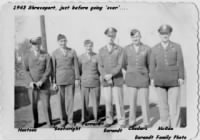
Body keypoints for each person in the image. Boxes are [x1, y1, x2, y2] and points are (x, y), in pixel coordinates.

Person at [150, 24, 185, 128]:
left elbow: (180, 63)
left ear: (170, 34)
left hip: (174, 80)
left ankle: (176, 129)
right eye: (162, 34)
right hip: (159, 81)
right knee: (163, 107)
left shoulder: (177, 47)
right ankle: (165, 128)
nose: (165, 35)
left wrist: (181, 77)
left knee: (174, 106)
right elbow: (152, 65)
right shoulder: (154, 48)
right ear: (159, 35)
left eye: (167, 33)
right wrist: (152, 78)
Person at [123, 29, 151, 128]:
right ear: (131, 38)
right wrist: (131, 71)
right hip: (131, 79)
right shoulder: (126, 49)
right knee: (132, 103)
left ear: (140, 37)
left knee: (144, 103)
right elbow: (123, 64)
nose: (136, 38)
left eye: (137, 36)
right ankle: (132, 122)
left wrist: (148, 75)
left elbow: (150, 64)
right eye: (133, 37)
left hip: (143, 79)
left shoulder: (147, 48)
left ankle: (146, 122)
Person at [98, 27, 125, 127]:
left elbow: (119, 64)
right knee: (108, 101)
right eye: (109, 36)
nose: (111, 38)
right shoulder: (101, 50)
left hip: (117, 79)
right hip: (106, 80)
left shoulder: (120, 49)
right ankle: (109, 120)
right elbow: (100, 66)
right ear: (106, 36)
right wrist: (105, 75)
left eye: (113, 36)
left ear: (115, 36)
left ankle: (121, 120)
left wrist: (111, 74)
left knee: (118, 101)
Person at [51, 34, 80, 128]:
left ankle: (70, 120)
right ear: (58, 42)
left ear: (66, 41)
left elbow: (76, 66)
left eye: (64, 41)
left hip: (70, 79)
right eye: (61, 41)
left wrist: (77, 78)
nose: (63, 43)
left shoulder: (72, 51)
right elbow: (53, 69)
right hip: (59, 80)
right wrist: (54, 82)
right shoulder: (54, 53)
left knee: (70, 101)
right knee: (60, 102)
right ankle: (62, 121)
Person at [24, 37, 52, 128]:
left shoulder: (46, 55)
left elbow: (48, 69)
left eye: (38, 44)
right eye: (34, 44)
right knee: (34, 105)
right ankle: (35, 123)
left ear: (40, 44)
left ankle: (49, 123)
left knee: (46, 104)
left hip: (44, 84)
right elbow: (26, 70)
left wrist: (42, 81)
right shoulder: (27, 55)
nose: (36, 46)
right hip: (32, 86)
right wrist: (30, 82)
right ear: (32, 45)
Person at [78, 39, 101, 124]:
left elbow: (99, 69)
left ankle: (96, 118)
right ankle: (84, 118)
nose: (89, 48)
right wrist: (82, 78)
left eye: (90, 46)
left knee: (95, 101)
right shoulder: (81, 57)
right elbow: (79, 70)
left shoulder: (97, 56)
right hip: (84, 82)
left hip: (95, 81)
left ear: (92, 46)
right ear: (84, 47)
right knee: (84, 101)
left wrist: (96, 77)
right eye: (87, 46)